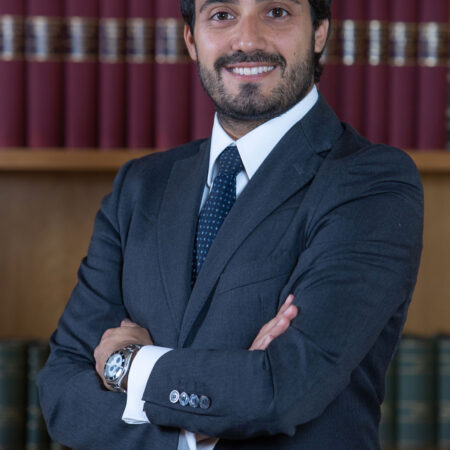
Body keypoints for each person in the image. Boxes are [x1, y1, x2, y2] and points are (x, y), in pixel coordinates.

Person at [37, 0, 424, 448]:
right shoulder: (140, 186)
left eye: (276, 12)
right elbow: (62, 392)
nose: (247, 39)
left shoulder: (371, 182)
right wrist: (193, 434)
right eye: (222, 15)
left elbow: (281, 389)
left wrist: (127, 366)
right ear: (191, 39)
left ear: (319, 31)